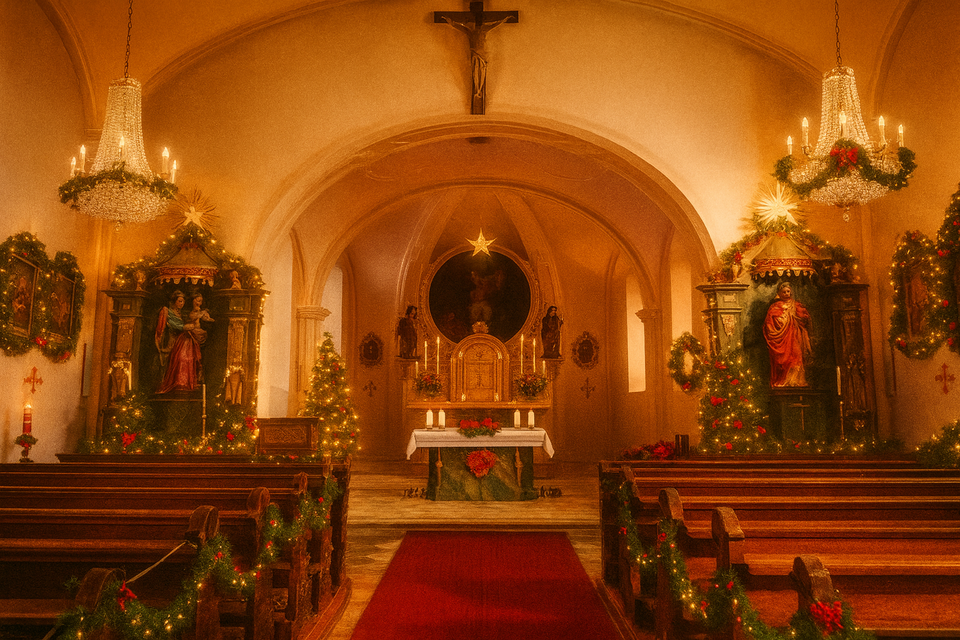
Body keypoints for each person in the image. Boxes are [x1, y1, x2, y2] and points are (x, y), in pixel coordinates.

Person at [156, 292, 213, 393]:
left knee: (191, 358)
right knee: (180, 358)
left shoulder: (182, 312)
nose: (182, 304)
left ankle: (187, 382)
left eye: (183, 302)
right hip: (175, 339)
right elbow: (171, 324)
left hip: (188, 337)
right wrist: (184, 327)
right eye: (180, 301)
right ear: (174, 302)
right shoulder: (167, 311)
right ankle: (178, 382)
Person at [763, 282, 812, 388]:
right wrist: (783, 319)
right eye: (784, 292)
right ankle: (783, 381)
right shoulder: (775, 306)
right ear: (779, 294)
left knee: (797, 355)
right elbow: (769, 322)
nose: (786, 294)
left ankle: (796, 381)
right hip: (782, 338)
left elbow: (804, 319)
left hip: (794, 335)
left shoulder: (795, 305)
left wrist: (801, 318)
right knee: (783, 361)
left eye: (788, 291)